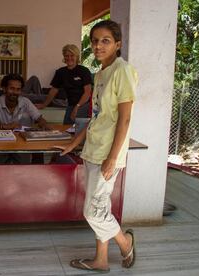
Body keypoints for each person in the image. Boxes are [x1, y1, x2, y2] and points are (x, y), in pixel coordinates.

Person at [54, 20, 137, 272]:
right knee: (100, 207)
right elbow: (96, 117)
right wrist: (74, 143)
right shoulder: (101, 73)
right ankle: (101, 260)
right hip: (94, 149)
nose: (99, 46)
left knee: (93, 212)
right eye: (95, 41)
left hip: (107, 154)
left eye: (106, 41)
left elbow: (125, 118)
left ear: (118, 44)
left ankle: (125, 242)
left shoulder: (123, 70)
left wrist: (113, 158)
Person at [0, 73, 50, 164]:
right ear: (4, 89)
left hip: (21, 143)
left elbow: (39, 118)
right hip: (1, 143)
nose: (15, 92)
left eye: (18, 89)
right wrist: (4, 126)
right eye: (12, 88)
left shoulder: (26, 102)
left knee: (22, 168)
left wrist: (44, 124)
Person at [36, 44, 93, 124]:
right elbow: (53, 91)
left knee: (80, 130)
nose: (69, 58)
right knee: (67, 129)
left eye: (72, 55)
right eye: (67, 56)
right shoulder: (60, 72)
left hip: (84, 105)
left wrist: (77, 107)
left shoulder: (84, 71)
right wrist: (44, 104)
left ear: (76, 56)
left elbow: (87, 93)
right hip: (70, 105)